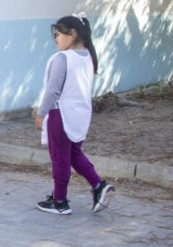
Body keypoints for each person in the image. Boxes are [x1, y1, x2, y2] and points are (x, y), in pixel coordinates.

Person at [35, 15, 115, 215]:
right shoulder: (88, 56)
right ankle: (98, 186)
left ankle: (60, 202)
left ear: (72, 34)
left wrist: (41, 113)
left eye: (58, 35)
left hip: (60, 114)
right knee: (73, 155)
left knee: (59, 158)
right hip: (80, 114)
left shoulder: (62, 58)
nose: (56, 40)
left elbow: (53, 90)